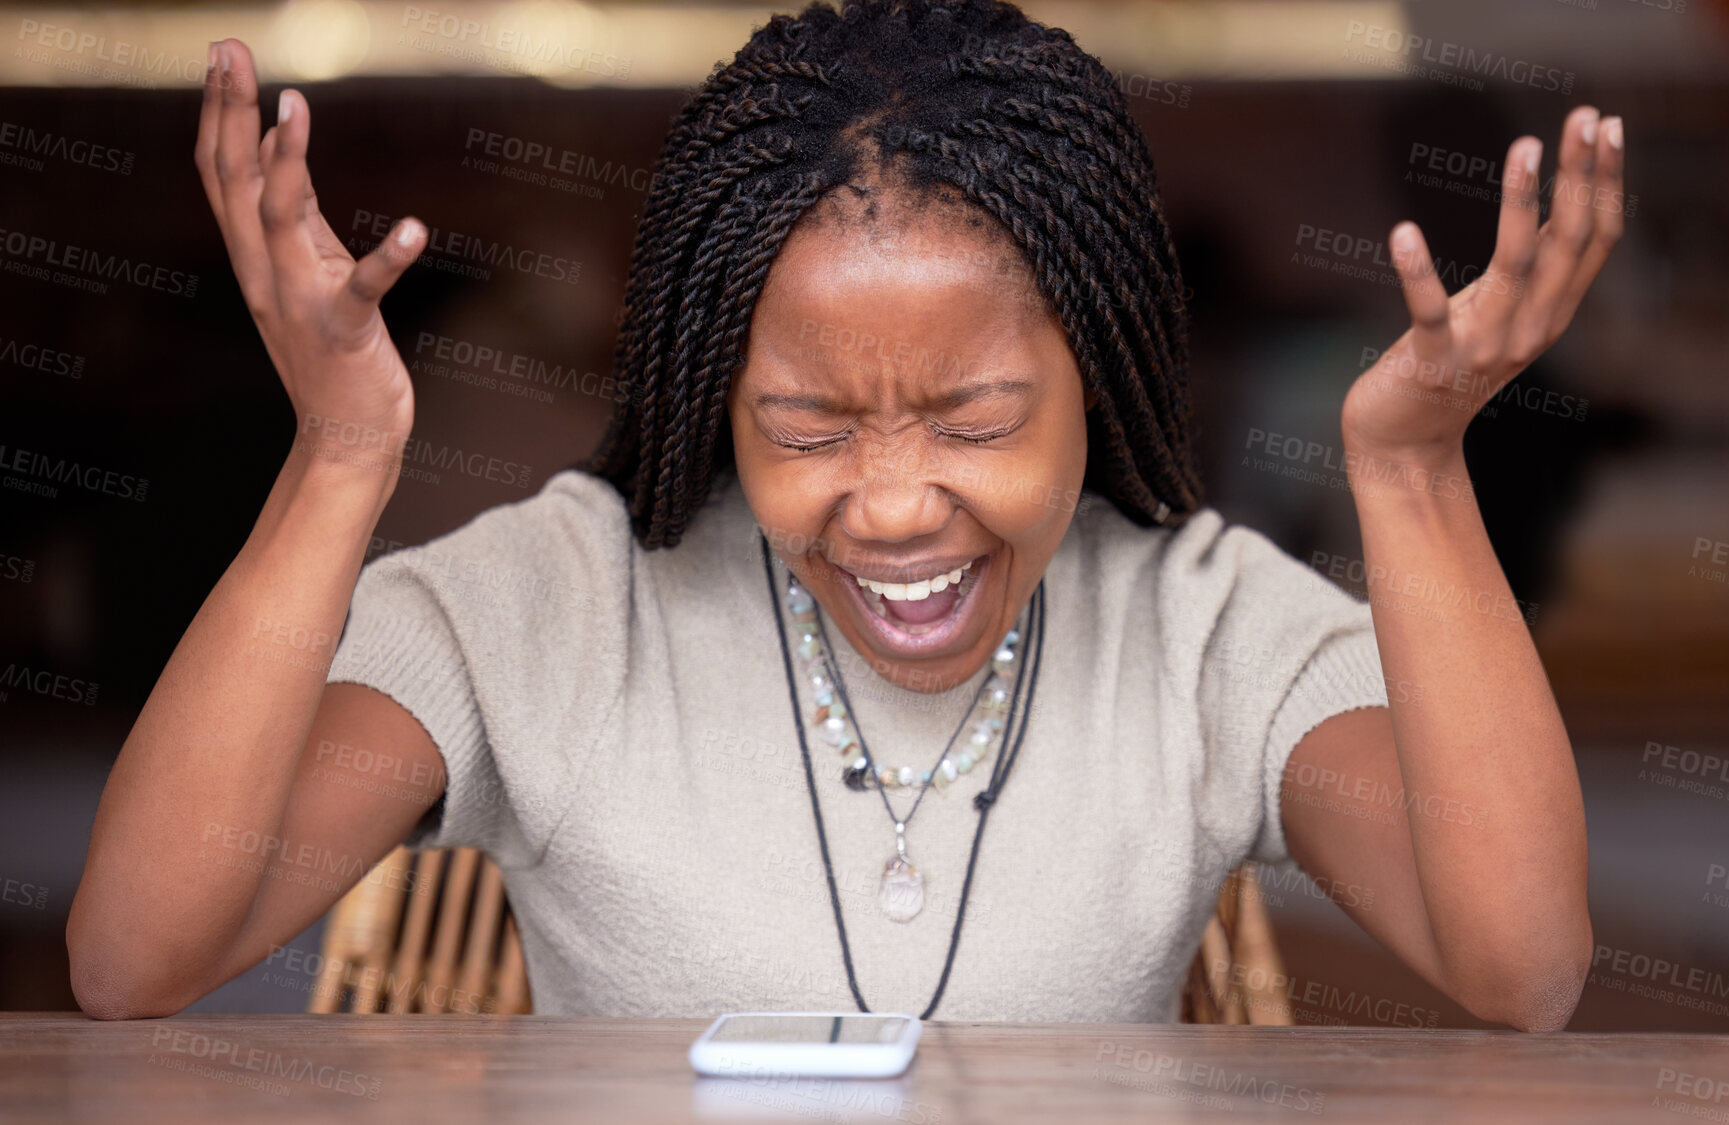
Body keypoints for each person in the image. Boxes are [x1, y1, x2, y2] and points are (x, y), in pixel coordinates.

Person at [67, 0, 1622, 1029]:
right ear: (707, 395)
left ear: (1103, 380)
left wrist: (1414, 471)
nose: (890, 507)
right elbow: (136, 957)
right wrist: (339, 451)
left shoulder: (1198, 620)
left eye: (979, 419)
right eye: (803, 427)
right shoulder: (547, 601)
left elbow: (1523, 965)